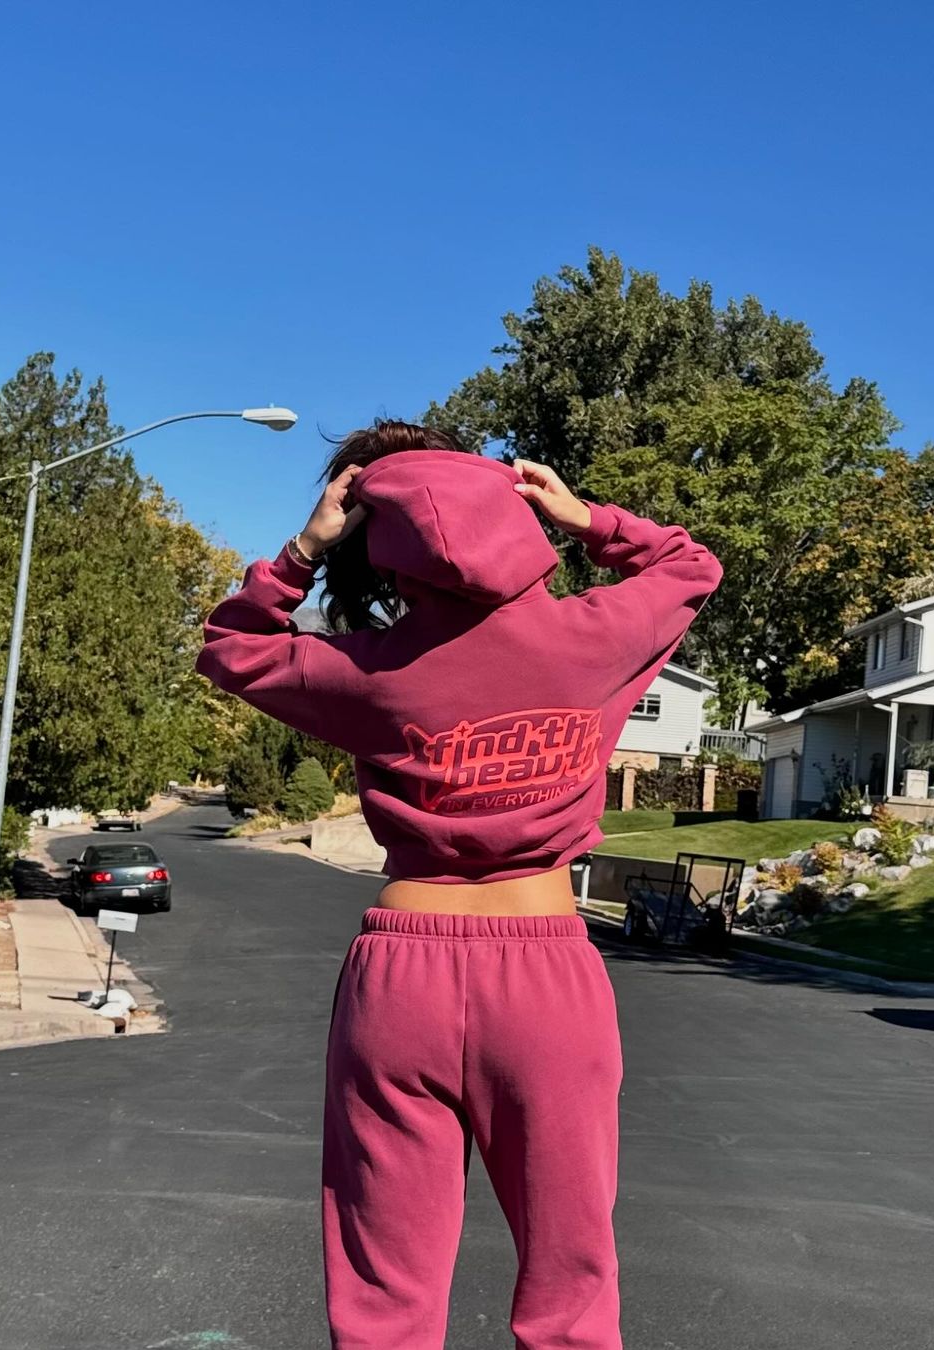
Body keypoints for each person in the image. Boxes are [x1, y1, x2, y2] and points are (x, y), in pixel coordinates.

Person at [196, 420, 723, 1349]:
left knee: (385, 1301)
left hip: (400, 981)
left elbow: (233, 649)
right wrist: (585, 518)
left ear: (380, 541)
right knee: (571, 1291)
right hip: (546, 977)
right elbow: (691, 566)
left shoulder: (370, 670)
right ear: (508, 515)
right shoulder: (593, 637)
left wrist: (302, 551)